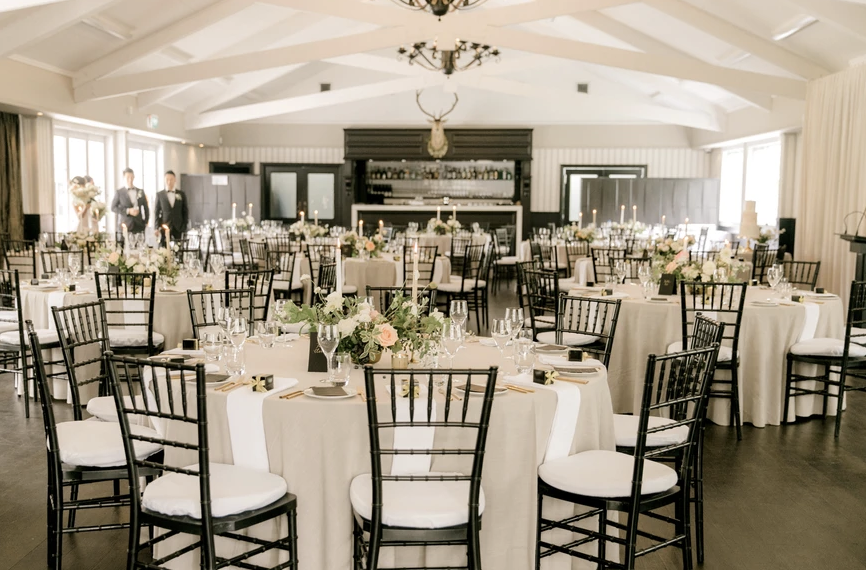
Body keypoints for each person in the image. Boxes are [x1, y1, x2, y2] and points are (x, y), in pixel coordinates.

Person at [153, 170, 189, 246]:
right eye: (167, 180)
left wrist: (184, 226)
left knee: (179, 250)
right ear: (164, 180)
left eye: (171, 179)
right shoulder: (160, 195)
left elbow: (185, 211)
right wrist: (156, 227)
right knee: (163, 250)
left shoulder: (181, 194)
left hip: (179, 227)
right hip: (164, 227)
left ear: (175, 180)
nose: (169, 182)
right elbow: (156, 212)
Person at [111, 167, 149, 234]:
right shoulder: (119, 192)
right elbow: (113, 208)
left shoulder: (140, 191)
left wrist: (145, 222)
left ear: (134, 177)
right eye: (128, 177)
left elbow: (146, 208)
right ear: (124, 178)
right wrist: (128, 211)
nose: (130, 179)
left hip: (139, 225)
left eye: (131, 177)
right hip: (125, 225)